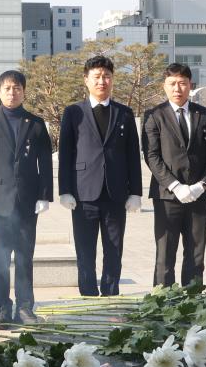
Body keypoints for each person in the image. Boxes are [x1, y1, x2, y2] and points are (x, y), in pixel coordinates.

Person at [58, 55, 143, 297]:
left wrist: (135, 192)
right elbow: (65, 152)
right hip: (83, 193)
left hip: (116, 193)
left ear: (112, 80)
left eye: (106, 76)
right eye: (96, 77)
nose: (102, 81)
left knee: (114, 249)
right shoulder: (74, 112)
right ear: (86, 80)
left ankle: (110, 296)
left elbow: (132, 156)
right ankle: (88, 296)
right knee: (85, 251)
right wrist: (65, 190)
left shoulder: (124, 113)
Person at [0, 70, 53, 324]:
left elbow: (45, 163)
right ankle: (2, 308)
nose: (12, 92)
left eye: (17, 88)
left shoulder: (36, 123)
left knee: (24, 257)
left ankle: (25, 307)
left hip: (28, 200)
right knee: (0, 257)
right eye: (7, 88)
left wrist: (45, 195)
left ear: (24, 91)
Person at [141, 63, 206, 287]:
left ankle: (192, 303)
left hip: (199, 196)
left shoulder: (204, 115)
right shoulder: (154, 115)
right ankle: (163, 304)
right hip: (167, 196)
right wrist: (175, 186)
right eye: (172, 83)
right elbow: (152, 156)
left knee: (196, 254)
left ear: (190, 85)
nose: (178, 88)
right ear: (164, 86)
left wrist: (202, 185)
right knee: (165, 255)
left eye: (182, 83)